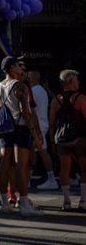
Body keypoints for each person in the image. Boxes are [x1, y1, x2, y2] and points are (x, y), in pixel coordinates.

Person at [0, 56, 44, 216]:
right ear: (11, 68)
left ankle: (4, 203)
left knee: (4, 165)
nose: (20, 69)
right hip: (20, 127)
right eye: (17, 66)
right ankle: (24, 203)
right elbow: (26, 112)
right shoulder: (19, 86)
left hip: (5, 129)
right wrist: (36, 134)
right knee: (21, 166)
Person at [48, 69, 86, 211]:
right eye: (76, 79)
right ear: (71, 82)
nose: (78, 82)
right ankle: (83, 201)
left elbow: (52, 123)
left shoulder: (56, 100)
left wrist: (52, 141)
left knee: (64, 169)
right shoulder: (81, 99)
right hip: (80, 139)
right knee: (84, 169)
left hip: (62, 140)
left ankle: (66, 201)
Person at [30, 70, 59, 190]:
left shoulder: (33, 91)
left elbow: (31, 110)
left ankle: (51, 179)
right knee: (35, 151)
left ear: (32, 77)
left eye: (28, 75)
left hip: (37, 125)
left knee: (41, 151)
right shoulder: (41, 90)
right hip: (42, 123)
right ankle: (28, 177)